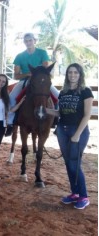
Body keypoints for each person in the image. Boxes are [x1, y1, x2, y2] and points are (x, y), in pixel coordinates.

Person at [46, 63, 93, 210]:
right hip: (62, 130)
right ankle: (75, 193)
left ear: (80, 75)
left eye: (75, 72)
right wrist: (46, 110)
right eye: (70, 72)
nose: (72, 75)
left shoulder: (86, 91)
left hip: (77, 131)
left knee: (74, 163)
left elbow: (87, 115)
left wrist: (77, 134)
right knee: (68, 163)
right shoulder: (63, 92)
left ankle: (84, 196)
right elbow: (61, 112)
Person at [6, 33, 59, 136]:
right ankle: (10, 124)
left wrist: (36, 75)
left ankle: (58, 121)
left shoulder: (42, 53)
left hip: (40, 81)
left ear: (34, 41)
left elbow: (45, 70)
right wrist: (27, 74)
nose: (28, 42)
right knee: (11, 97)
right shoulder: (19, 56)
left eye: (30, 40)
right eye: (26, 41)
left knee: (59, 96)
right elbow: (16, 76)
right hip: (25, 81)